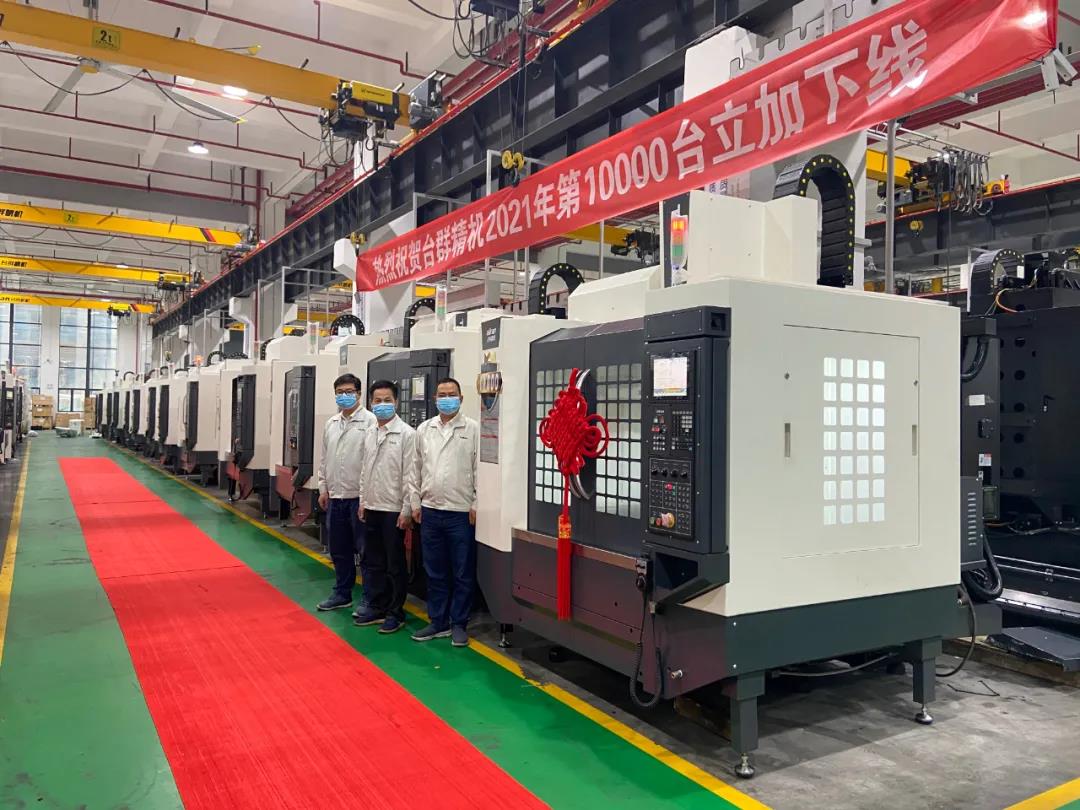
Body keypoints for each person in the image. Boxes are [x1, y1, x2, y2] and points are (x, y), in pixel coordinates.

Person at [410, 377, 479, 647]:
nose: (446, 399)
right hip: (430, 511)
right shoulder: (424, 429)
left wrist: (476, 503)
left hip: (460, 513)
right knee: (434, 570)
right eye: (442, 394)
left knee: (462, 571)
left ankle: (459, 623)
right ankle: (438, 621)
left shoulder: (472, 429)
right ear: (434, 398)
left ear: (461, 399)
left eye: (451, 394)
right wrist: (415, 502)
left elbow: (479, 469)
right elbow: (415, 468)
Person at [355, 380, 416, 634]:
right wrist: (363, 500)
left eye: (387, 400)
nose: (382, 405)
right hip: (372, 506)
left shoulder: (406, 434)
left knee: (394, 564)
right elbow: (365, 470)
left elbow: (410, 475)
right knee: (373, 561)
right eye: (377, 401)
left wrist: (406, 509)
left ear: (397, 402)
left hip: (393, 509)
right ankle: (378, 606)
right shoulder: (370, 432)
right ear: (371, 403)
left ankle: (395, 612)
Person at [316, 373, 374, 612]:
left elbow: (372, 462)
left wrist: (366, 497)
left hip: (359, 499)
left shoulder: (370, 422)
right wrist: (323, 487)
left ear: (359, 394)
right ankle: (342, 593)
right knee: (339, 550)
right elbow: (324, 458)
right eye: (340, 392)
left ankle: (370, 598)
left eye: (349, 392)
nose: (344, 396)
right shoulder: (331, 423)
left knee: (366, 552)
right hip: (336, 497)